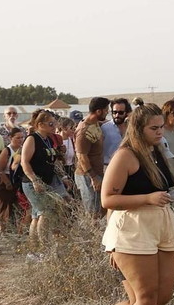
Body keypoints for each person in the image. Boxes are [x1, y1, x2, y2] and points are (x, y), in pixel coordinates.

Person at [86, 104, 174, 305]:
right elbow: (108, 199)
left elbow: (160, 188)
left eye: (161, 126)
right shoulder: (125, 156)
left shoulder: (156, 151)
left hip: (161, 226)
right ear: (138, 129)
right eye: (154, 128)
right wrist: (147, 199)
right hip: (132, 229)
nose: (160, 132)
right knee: (146, 297)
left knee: (162, 296)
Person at [19, 110, 68, 257]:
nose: (54, 126)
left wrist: (59, 153)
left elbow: (51, 160)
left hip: (45, 181)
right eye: (51, 124)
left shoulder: (47, 139)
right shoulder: (32, 139)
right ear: (40, 124)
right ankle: (43, 250)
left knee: (36, 216)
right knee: (45, 213)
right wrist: (34, 180)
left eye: (55, 123)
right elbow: (24, 162)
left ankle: (33, 252)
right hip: (33, 182)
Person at [75, 97, 110, 220]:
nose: (107, 113)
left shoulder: (94, 123)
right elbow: (81, 156)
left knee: (102, 208)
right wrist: (93, 178)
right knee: (92, 212)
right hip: (87, 175)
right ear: (99, 111)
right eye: (106, 110)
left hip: (97, 173)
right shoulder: (83, 132)